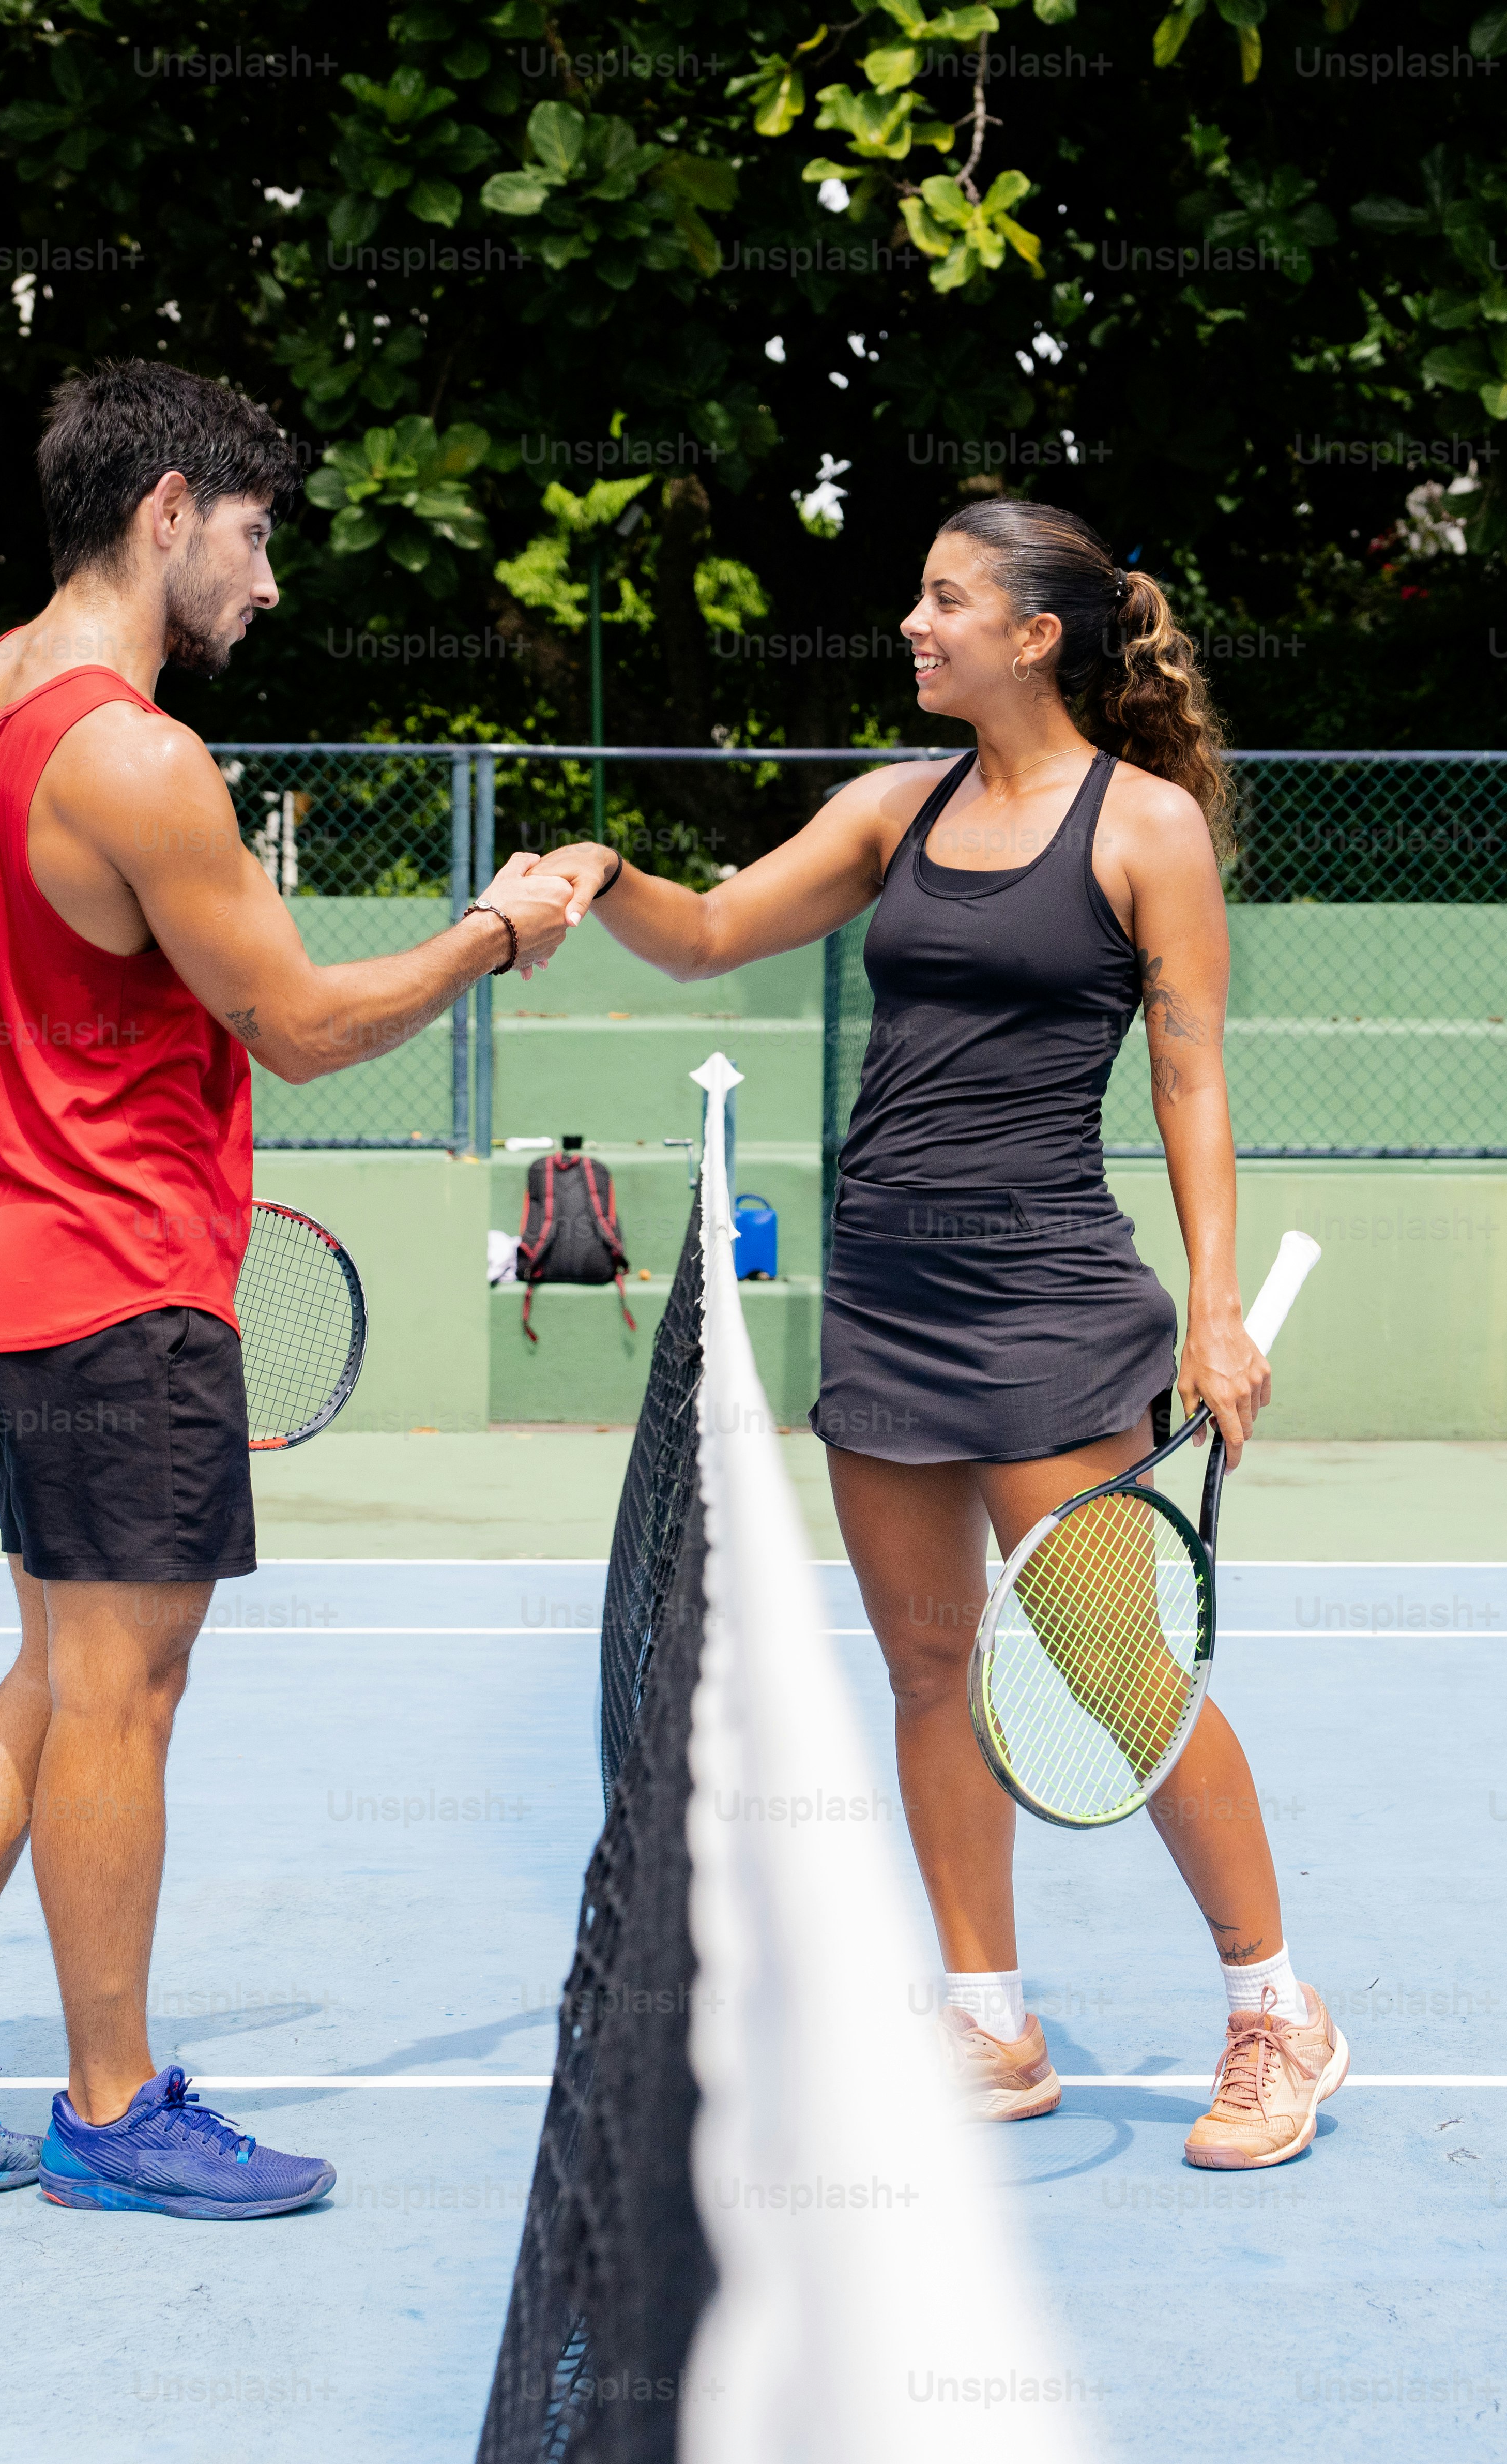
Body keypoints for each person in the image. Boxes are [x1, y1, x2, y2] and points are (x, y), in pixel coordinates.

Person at [0, 360, 610, 2218]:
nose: (268, 583)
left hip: (12, 1282)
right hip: (118, 1290)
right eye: (254, 538)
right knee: (121, 1699)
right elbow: (306, 1026)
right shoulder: (140, 756)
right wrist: (501, 928)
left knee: (53, 1673)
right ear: (168, 509)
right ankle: (110, 2106)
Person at [560, 499, 1346, 2169]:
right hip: (890, 1299)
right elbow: (705, 932)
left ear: (1036, 635)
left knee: (1117, 1680)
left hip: (1054, 1303)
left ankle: (1277, 2011)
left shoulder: (1144, 830)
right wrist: (601, 875)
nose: (913, 626)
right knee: (929, 1665)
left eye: (944, 600)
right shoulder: (886, 809)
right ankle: (987, 2019)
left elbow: (1190, 1072)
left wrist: (1214, 1310)